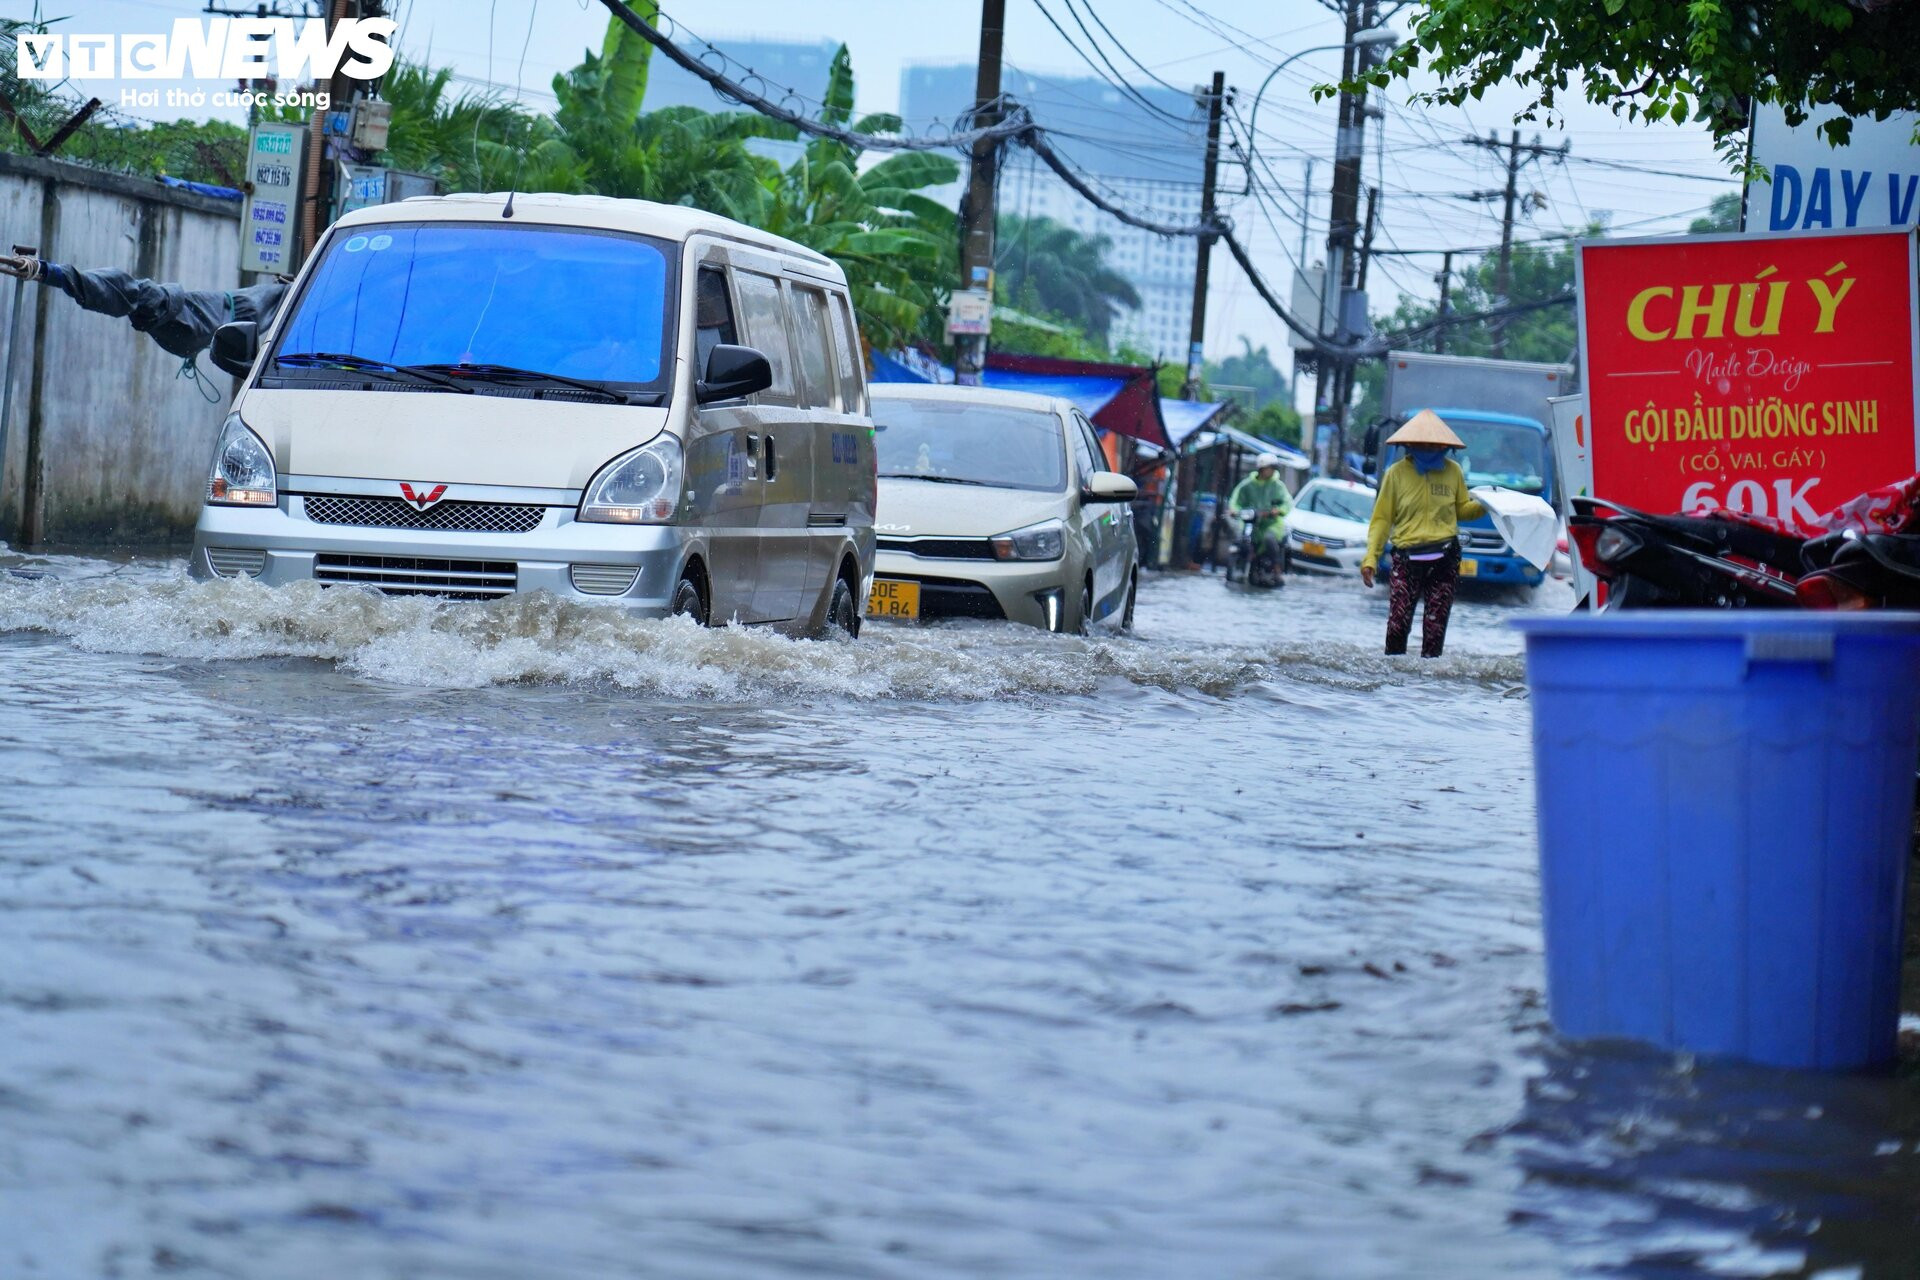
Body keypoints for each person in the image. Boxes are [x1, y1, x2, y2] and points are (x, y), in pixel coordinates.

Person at [1360, 410, 1487, 658]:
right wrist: (1371, 559)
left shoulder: (1453, 472)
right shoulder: (1396, 474)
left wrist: (1487, 503)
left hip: (1444, 559)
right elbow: (1382, 519)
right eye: (1422, 443)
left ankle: (1428, 688)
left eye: (1434, 444)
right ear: (1410, 444)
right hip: (1406, 558)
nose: (1428, 447)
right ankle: (1394, 678)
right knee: (1397, 624)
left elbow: (1462, 509)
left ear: (1443, 445)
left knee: (1435, 628)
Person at [0, 250, 287, 360]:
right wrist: (47, 271)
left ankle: (51, 271)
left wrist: (48, 272)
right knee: (136, 295)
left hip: (194, 321)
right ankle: (51, 271)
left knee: (136, 295)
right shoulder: (159, 304)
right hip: (190, 319)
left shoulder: (159, 304)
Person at [1228, 452, 1293, 585]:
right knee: (1241, 539)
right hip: (1250, 523)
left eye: (1272, 468)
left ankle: (1276, 569)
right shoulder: (1247, 485)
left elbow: (1287, 503)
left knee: (1269, 539)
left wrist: (1278, 510)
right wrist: (1233, 510)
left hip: (1271, 524)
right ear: (1261, 468)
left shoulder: (1278, 486)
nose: (1270, 471)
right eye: (1268, 468)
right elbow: (1235, 500)